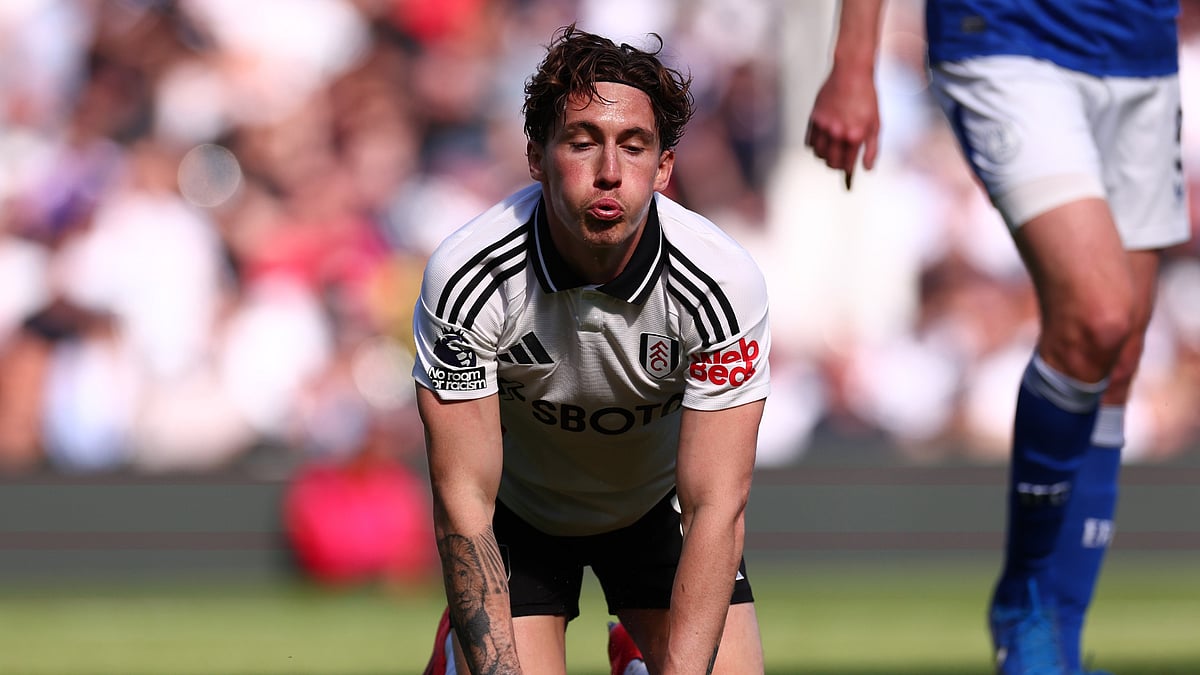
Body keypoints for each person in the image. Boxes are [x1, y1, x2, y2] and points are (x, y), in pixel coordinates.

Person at [805, 1, 1190, 674]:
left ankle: (1057, 643)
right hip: (1008, 35)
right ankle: (1027, 597)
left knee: (1121, 349)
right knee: (1099, 313)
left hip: (1142, 48)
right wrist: (854, 61)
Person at [413, 24, 770, 674]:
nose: (610, 172)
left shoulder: (722, 282)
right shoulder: (468, 278)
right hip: (518, 515)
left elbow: (718, 506)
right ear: (535, 155)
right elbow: (463, 504)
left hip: (659, 512)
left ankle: (640, 649)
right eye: (583, 143)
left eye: (634, 148)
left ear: (663, 168)